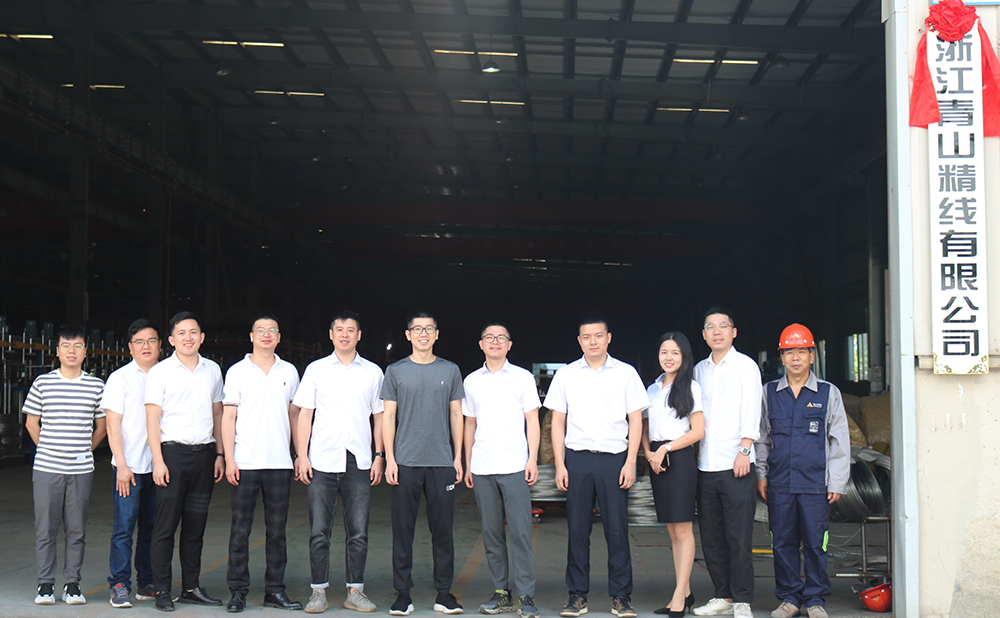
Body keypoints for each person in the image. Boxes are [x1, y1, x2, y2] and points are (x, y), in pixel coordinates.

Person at [543, 312, 647, 618]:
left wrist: (631, 461)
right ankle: (577, 595)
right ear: (579, 341)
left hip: (615, 459)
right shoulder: (567, 375)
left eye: (598, 336)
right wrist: (560, 464)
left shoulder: (626, 373)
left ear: (608, 338)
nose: (593, 342)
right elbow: (557, 422)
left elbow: (636, 419)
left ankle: (621, 596)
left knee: (617, 530)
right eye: (586, 337)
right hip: (577, 458)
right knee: (577, 529)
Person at [756, 324, 850, 618]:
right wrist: (761, 474)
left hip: (815, 484)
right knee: (782, 543)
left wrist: (837, 481)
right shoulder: (769, 393)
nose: (795, 358)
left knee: (815, 543)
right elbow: (762, 437)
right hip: (780, 482)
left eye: (801, 352)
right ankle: (789, 599)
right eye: (789, 352)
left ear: (812, 355)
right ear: (781, 357)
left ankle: (815, 599)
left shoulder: (828, 393)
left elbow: (839, 440)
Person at [295, 311, 385, 614]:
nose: (345, 334)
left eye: (350, 330)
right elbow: (305, 414)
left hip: (358, 461)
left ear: (359, 335)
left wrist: (379, 455)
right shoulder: (316, 370)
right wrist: (302, 455)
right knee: (319, 531)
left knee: (358, 532)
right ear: (331, 334)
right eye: (339, 329)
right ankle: (318, 592)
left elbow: (379, 417)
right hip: (322, 460)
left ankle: (355, 592)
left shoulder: (372, 372)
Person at [382, 310, 465, 616]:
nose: (423, 334)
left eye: (429, 329)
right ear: (408, 335)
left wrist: (457, 457)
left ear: (436, 334)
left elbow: (456, 414)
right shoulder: (396, 371)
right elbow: (388, 417)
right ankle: (403, 594)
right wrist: (390, 459)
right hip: (405, 461)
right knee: (403, 531)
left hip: (441, 462)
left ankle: (444, 594)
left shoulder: (450, 370)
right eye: (417, 329)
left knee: (443, 531)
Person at [145, 311, 225, 612]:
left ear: (202, 337)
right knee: (165, 528)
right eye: (181, 333)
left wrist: (220, 454)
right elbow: (152, 418)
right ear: (171, 340)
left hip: (205, 456)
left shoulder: (213, 370)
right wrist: (158, 460)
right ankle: (162, 590)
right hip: (172, 457)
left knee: (195, 527)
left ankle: (191, 587)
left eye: (193, 332)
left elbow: (218, 414)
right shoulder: (160, 372)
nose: (188, 338)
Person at [221, 314, 302, 612]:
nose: (266, 335)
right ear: (251, 336)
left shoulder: (289, 371)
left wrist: (299, 455)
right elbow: (228, 417)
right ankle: (238, 591)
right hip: (245, 462)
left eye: (272, 331)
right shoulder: (237, 372)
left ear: (279, 338)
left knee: (277, 532)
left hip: (279, 462)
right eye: (260, 330)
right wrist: (229, 459)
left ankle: (275, 590)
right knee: (240, 530)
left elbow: (295, 416)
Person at [462, 323, 542, 618]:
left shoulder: (522, 378)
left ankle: (525, 595)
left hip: (515, 465)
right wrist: (468, 463)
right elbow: (470, 423)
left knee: (520, 532)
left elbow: (532, 420)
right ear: (481, 344)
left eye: (501, 338)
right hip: (483, 466)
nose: (495, 342)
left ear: (509, 344)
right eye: (489, 337)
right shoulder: (471, 381)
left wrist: (532, 459)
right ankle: (501, 593)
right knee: (492, 533)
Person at [25, 325, 107, 606]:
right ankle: (45, 585)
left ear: (85, 352)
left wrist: (83, 451)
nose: (72, 351)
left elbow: (102, 427)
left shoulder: (96, 386)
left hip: (81, 470)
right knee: (45, 528)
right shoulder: (42, 383)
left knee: (76, 529)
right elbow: (31, 423)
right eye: (66, 346)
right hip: (47, 468)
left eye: (77, 346)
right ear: (57, 351)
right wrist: (50, 449)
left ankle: (72, 585)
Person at [691, 307, 762, 618]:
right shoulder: (698, 370)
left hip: (737, 464)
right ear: (704, 334)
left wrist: (745, 450)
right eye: (710, 327)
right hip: (705, 465)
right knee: (712, 536)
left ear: (734, 332)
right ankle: (723, 595)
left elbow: (752, 409)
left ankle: (743, 599)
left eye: (723, 326)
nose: (717, 331)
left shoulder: (746, 366)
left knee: (738, 536)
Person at [641, 332, 705, 617]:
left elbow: (698, 431)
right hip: (657, 459)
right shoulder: (652, 389)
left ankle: (679, 596)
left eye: (675, 353)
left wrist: (665, 449)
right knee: (671, 531)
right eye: (664, 352)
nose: (668, 357)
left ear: (684, 357)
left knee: (683, 530)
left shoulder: (691, 387)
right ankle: (686, 591)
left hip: (678, 458)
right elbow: (644, 426)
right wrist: (649, 453)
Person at [102, 319, 162, 608]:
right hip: (130, 467)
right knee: (124, 528)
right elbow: (112, 425)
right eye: (139, 341)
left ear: (161, 345)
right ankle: (119, 584)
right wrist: (122, 466)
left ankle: (146, 583)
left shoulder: (168, 375)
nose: (146, 346)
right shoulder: (120, 378)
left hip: (158, 467)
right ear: (130, 347)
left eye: (151, 340)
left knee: (152, 528)